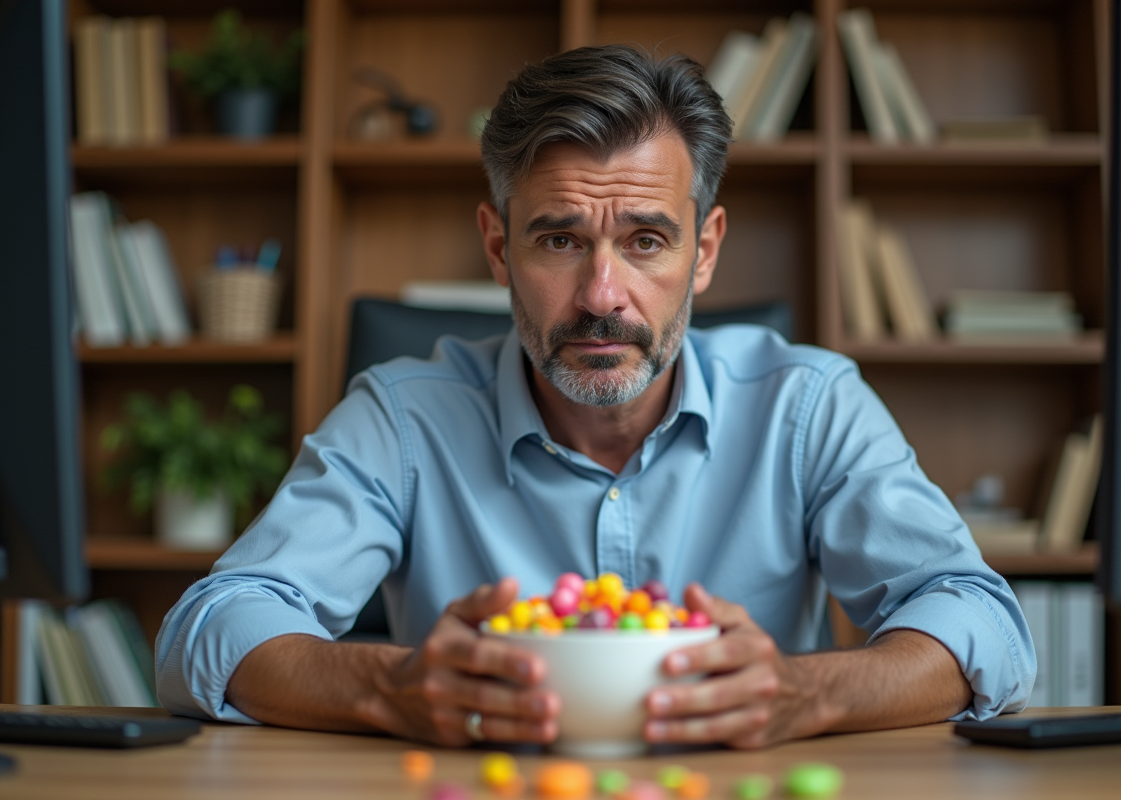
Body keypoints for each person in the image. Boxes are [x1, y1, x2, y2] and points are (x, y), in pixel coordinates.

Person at [156, 45, 1034, 749]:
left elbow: (979, 622)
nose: (603, 295)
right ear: (498, 249)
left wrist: (809, 693)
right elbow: (210, 629)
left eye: (647, 240)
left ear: (705, 250)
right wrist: (388, 686)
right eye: (559, 240)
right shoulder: (404, 418)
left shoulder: (808, 407)